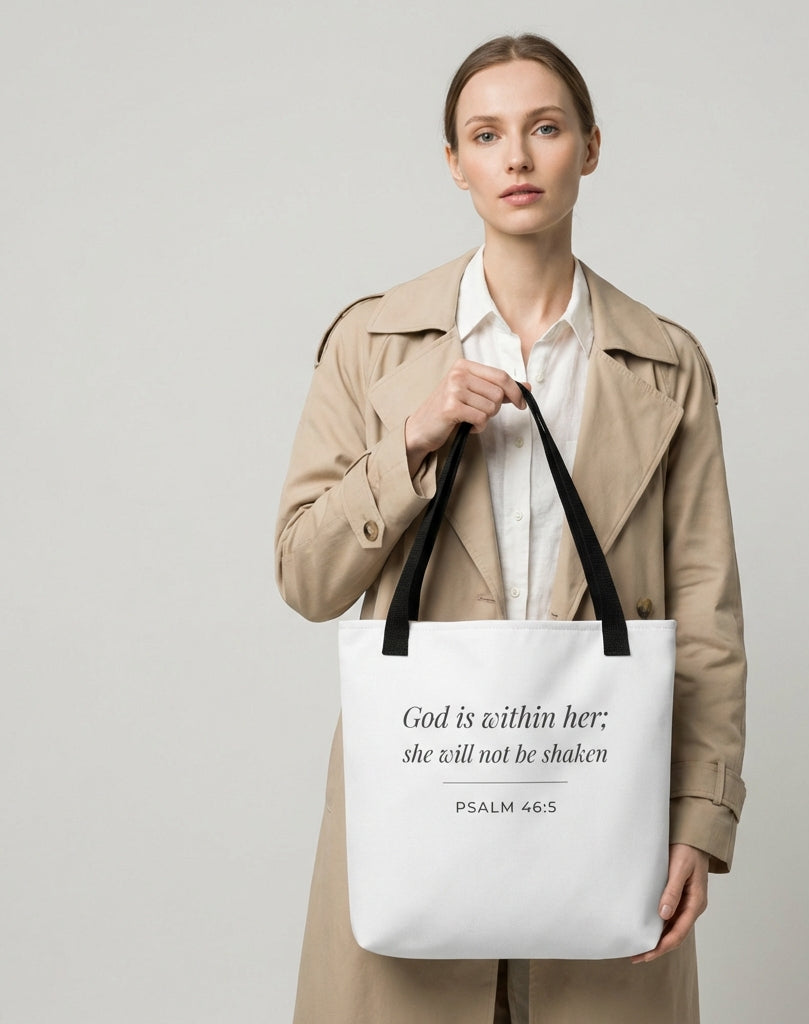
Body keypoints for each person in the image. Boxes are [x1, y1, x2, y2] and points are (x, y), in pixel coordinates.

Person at [275, 33, 747, 1024]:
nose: (518, 158)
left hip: (602, 813)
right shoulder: (371, 347)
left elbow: (706, 618)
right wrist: (410, 442)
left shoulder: (665, 365)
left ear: (590, 145)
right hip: (420, 808)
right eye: (486, 135)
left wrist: (699, 823)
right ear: (455, 163)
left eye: (544, 128)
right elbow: (307, 576)